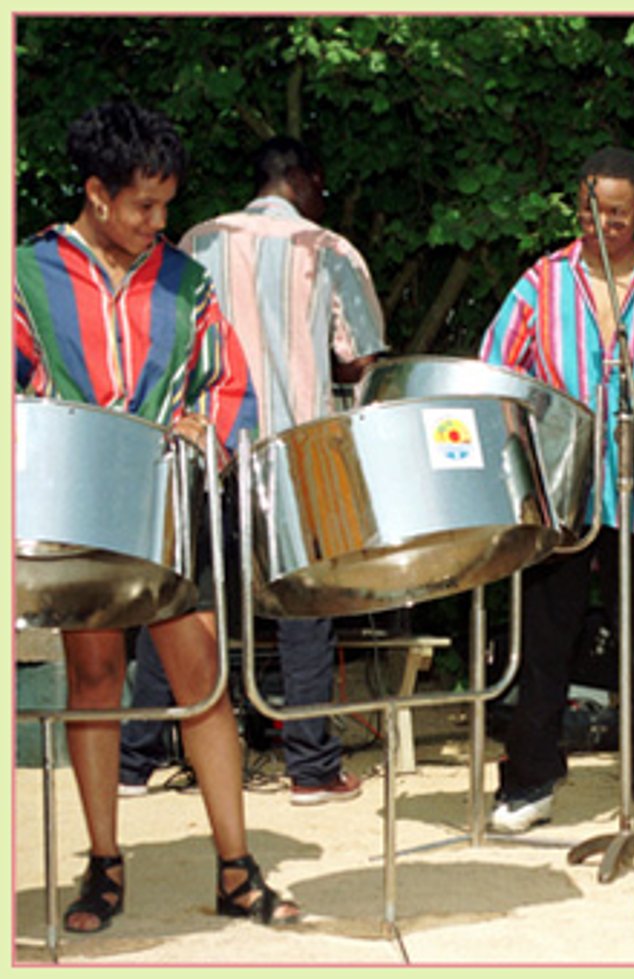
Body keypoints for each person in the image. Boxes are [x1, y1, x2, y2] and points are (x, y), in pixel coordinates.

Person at [13, 101, 300, 931]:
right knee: (96, 676)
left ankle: (237, 867)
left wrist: (205, 426)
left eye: (167, 205)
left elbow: (229, 380)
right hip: (78, 508)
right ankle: (104, 863)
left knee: (201, 675)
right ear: (97, 193)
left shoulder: (185, 280)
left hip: (171, 501)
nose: (158, 222)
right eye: (143, 205)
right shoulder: (26, 275)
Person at [119, 135, 386, 807]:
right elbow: (359, 358)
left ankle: (135, 761)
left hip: (208, 448)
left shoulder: (193, 243)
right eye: (321, 187)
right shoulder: (328, 248)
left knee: (180, 599)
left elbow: (161, 343)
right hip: (294, 452)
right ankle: (311, 769)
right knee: (303, 604)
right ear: (306, 178)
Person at [478, 147, 634, 834]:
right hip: (562, 492)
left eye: (616, 213)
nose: (601, 224)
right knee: (547, 638)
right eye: (589, 210)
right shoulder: (541, 282)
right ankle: (530, 780)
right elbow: (494, 368)